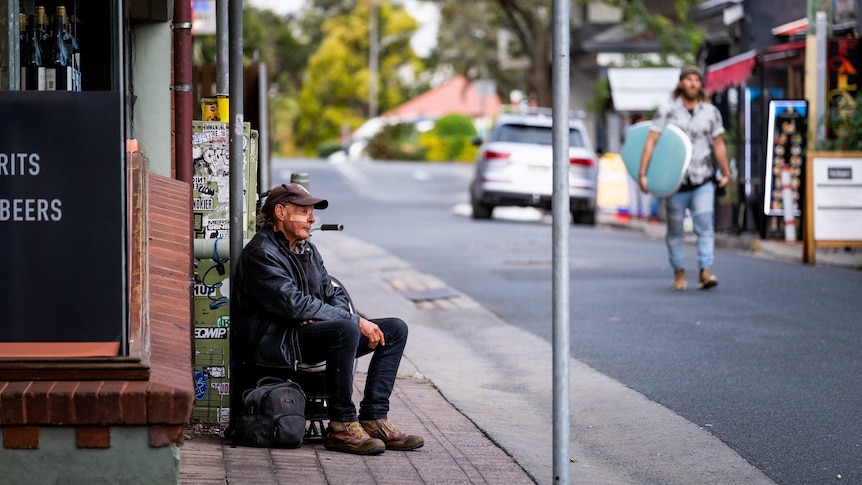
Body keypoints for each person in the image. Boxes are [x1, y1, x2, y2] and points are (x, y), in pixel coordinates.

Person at [231, 183, 424, 455]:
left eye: (312, 212)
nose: (312, 219)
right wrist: (344, 320)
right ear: (280, 213)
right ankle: (342, 425)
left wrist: (328, 316)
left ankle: (374, 417)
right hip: (276, 342)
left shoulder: (307, 249)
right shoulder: (261, 253)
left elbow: (332, 293)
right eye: (304, 211)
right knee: (345, 328)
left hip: (305, 335)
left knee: (393, 329)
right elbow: (294, 305)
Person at [638, 66, 731, 291]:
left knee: (705, 226)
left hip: (702, 178)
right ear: (681, 83)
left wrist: (726, 172)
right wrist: (643, 173)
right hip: (675, 182)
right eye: (688, 79)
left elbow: (717, 144)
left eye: (696, 80)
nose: (692, 84)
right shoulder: (667, 110)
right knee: (675, 230)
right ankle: (678, 272)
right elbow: (652, 141)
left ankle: (705, 271)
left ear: (700, 84)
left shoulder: (711, 112)